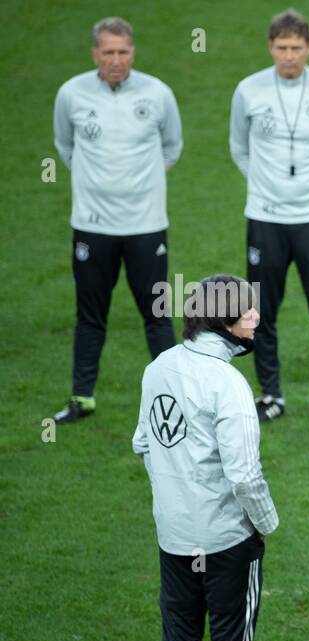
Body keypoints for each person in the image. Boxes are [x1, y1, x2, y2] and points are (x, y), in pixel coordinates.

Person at [133, 275, 277, 641]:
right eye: (247, 313)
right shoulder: (228, 383)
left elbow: (144, 443)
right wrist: (266, 523)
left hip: (174, 536)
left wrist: (173, 498)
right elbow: (243, 474)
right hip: (226, 538)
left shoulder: (158, 368)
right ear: (222, 321)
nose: (257, 318)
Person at [51, 16, 182, 424]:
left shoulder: (158, 93)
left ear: (133, 52)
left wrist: (137, 188)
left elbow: (172, 147)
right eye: (108, 52)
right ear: (95, 54)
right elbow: (65, 147)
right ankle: (82, 397)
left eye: (123, 52)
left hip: (146, 226)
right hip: (92, 226)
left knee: (157, 313)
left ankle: (174, 398)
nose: (116, 60)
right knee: (90, 313)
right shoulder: (71, 94)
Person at [230, 8, 309, 427]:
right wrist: (268, 187)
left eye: (296, 48)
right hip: (264, 219)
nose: (289, 56)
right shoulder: (248, 91)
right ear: (270, 47)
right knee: (262, 311)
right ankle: (271, 394)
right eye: (281, 48)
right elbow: (239, 149)